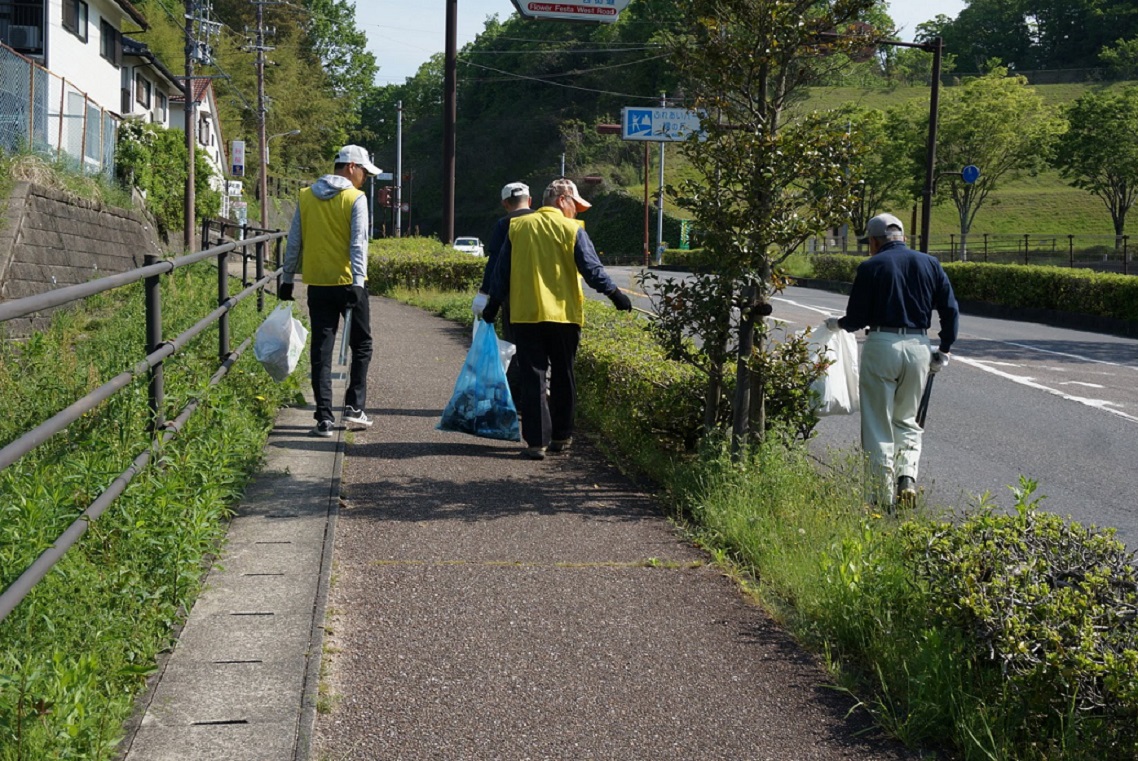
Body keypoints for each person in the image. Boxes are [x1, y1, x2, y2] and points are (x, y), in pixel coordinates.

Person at [482, 178, 632, 460]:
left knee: (533, 377)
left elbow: (502, 272)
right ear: (562, 200)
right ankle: (562, 437)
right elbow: (591, 269)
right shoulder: (572, 229)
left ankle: (536, 443)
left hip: (526, 316)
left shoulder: (518, 227)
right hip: (564, 317)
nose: (576, 211)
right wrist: (614, 294)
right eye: (575, 205)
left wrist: (493, 305)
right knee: (564, 375)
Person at [825, 212, 959, 506]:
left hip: (882, 344)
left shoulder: (871, 266)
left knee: (877, 422)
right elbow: (950, 310)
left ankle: (880, 498)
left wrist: (837, 324)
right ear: (901, 238)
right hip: (919, 345)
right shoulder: (930, 263)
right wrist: (944, 349)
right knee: (907, 419)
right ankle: (906, 477)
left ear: (874, 241)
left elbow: (857, 318)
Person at [278, 144, 380, 437]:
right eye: (364, 171)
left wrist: (287, 278)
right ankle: (354, 408)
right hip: (349, 284)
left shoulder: (306, 196)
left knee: (321, 349)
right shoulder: (355, 198)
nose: (365, 178)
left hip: (318, 284)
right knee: (361, 345)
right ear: (351, 167)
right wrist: (358, 282)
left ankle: (323, 418)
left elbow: (295, 239)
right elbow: (358, 243)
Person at [472, 182, 534, 401]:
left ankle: (517, 396)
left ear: (505, 203)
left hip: (512, 295)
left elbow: (495, 262)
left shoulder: (504, 223)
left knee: (514, 344)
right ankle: (541, 392)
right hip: (545, 297)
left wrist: (485, 292)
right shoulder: (543, 221)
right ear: (530, 200)